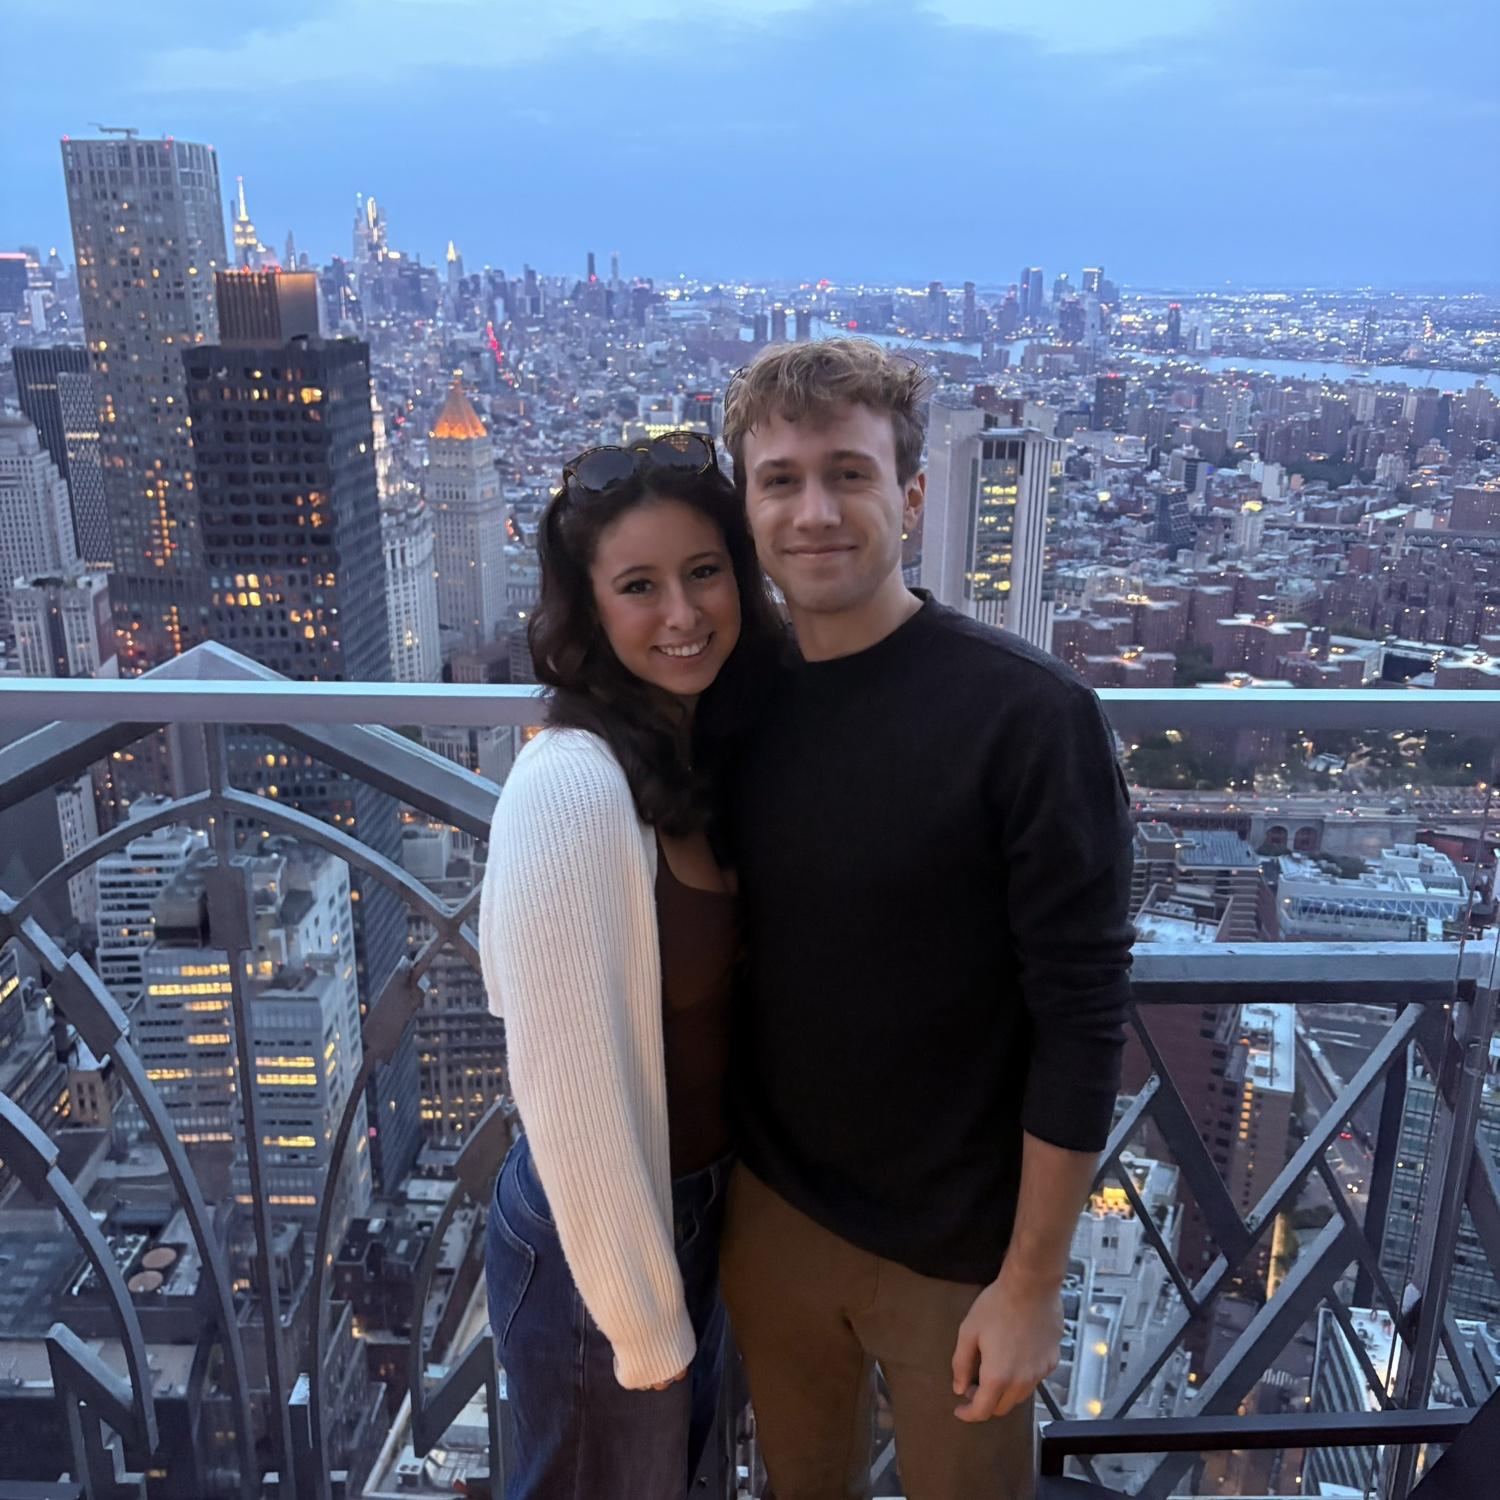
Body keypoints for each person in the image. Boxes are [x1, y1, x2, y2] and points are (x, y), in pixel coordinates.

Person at [717, 339, 1136, 1500]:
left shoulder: (1029, 717)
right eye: (780, 480)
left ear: (908, 498)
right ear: (748, 509)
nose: (814, 512)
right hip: (773, 1214)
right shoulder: (734, 703)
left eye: (848, 475)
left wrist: (1032, 1284)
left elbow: (1082, 1014)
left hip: (961, 1252)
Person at [478, 432, 781, 1498]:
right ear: (590, 611)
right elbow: (564, 1086)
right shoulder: (570, 783)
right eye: (639, 586)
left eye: (704, 572)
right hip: (598, 1236)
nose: (682, 613)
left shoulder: (701, 751)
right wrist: (643, 1319)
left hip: (693, 1210)